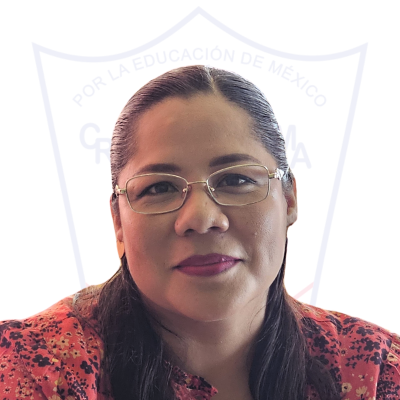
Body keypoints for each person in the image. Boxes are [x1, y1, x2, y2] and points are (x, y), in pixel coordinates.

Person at [0, 66, 399, 400]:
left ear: (289, 198)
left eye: (236, 179)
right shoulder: (33, 368)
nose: (201, 218)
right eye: (159, 187)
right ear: (118, 222)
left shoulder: (375, 370)